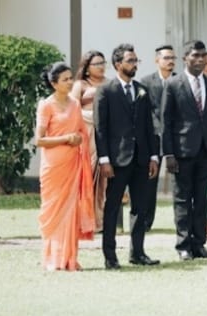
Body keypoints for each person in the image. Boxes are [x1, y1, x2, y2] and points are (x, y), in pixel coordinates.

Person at [92, 44, 160, 269]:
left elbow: (149, 126)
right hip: (117, 160)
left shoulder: (141, 90)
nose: (135, 64)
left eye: (136, 61)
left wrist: (153, 156)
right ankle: (110, 256)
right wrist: (104, 160)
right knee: (112, 208)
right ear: (118, 64)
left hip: (141, 159)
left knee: (140, 208)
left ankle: (138, 253)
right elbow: (100, 128)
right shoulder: (106, 90)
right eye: (130, 60)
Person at [161, 39, 207, 261]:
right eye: (195, 55)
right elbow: (166, 122)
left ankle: (199, 244)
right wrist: (168, 154)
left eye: (203, 55)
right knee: (182, 200)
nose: (200, 59)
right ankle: (183, 245)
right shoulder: (173, 84)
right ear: (185, 58)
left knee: (202, 200)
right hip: (182, 152)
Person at [35, 62, 95, 271]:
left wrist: (79, 138)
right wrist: (65, 138)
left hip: (73, 163)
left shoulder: (75, 104)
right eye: (65, 80)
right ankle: (53, 258)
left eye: (71, 78)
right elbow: (39, 140)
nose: (70, 83)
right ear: (54, 83)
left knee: (70, 211)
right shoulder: (46, 105)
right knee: (53, 210)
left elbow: (81, 131)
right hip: (53, 166)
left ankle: (69, 258)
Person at [134, 44, 176, 233]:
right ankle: (145, 221)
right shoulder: (146, 82)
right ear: (157, 60)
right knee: (149, 181)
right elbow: (144, 111)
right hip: (153, 136)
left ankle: (181, 221)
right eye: (166, 58)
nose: (170, 62)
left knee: (180, 181)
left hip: (176, 137)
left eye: (173, 58)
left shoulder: (180, 80)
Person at [70, 49, 109, 233]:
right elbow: (72, 110)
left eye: (103, 63)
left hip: (106, 134)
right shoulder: (80, 85)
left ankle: (99, 219)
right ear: (87, 68)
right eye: (97, 64)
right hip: (87, 135)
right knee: (86, 175)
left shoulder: (110, 83)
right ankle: (82, 220)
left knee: (103, 178)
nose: (101, 67)